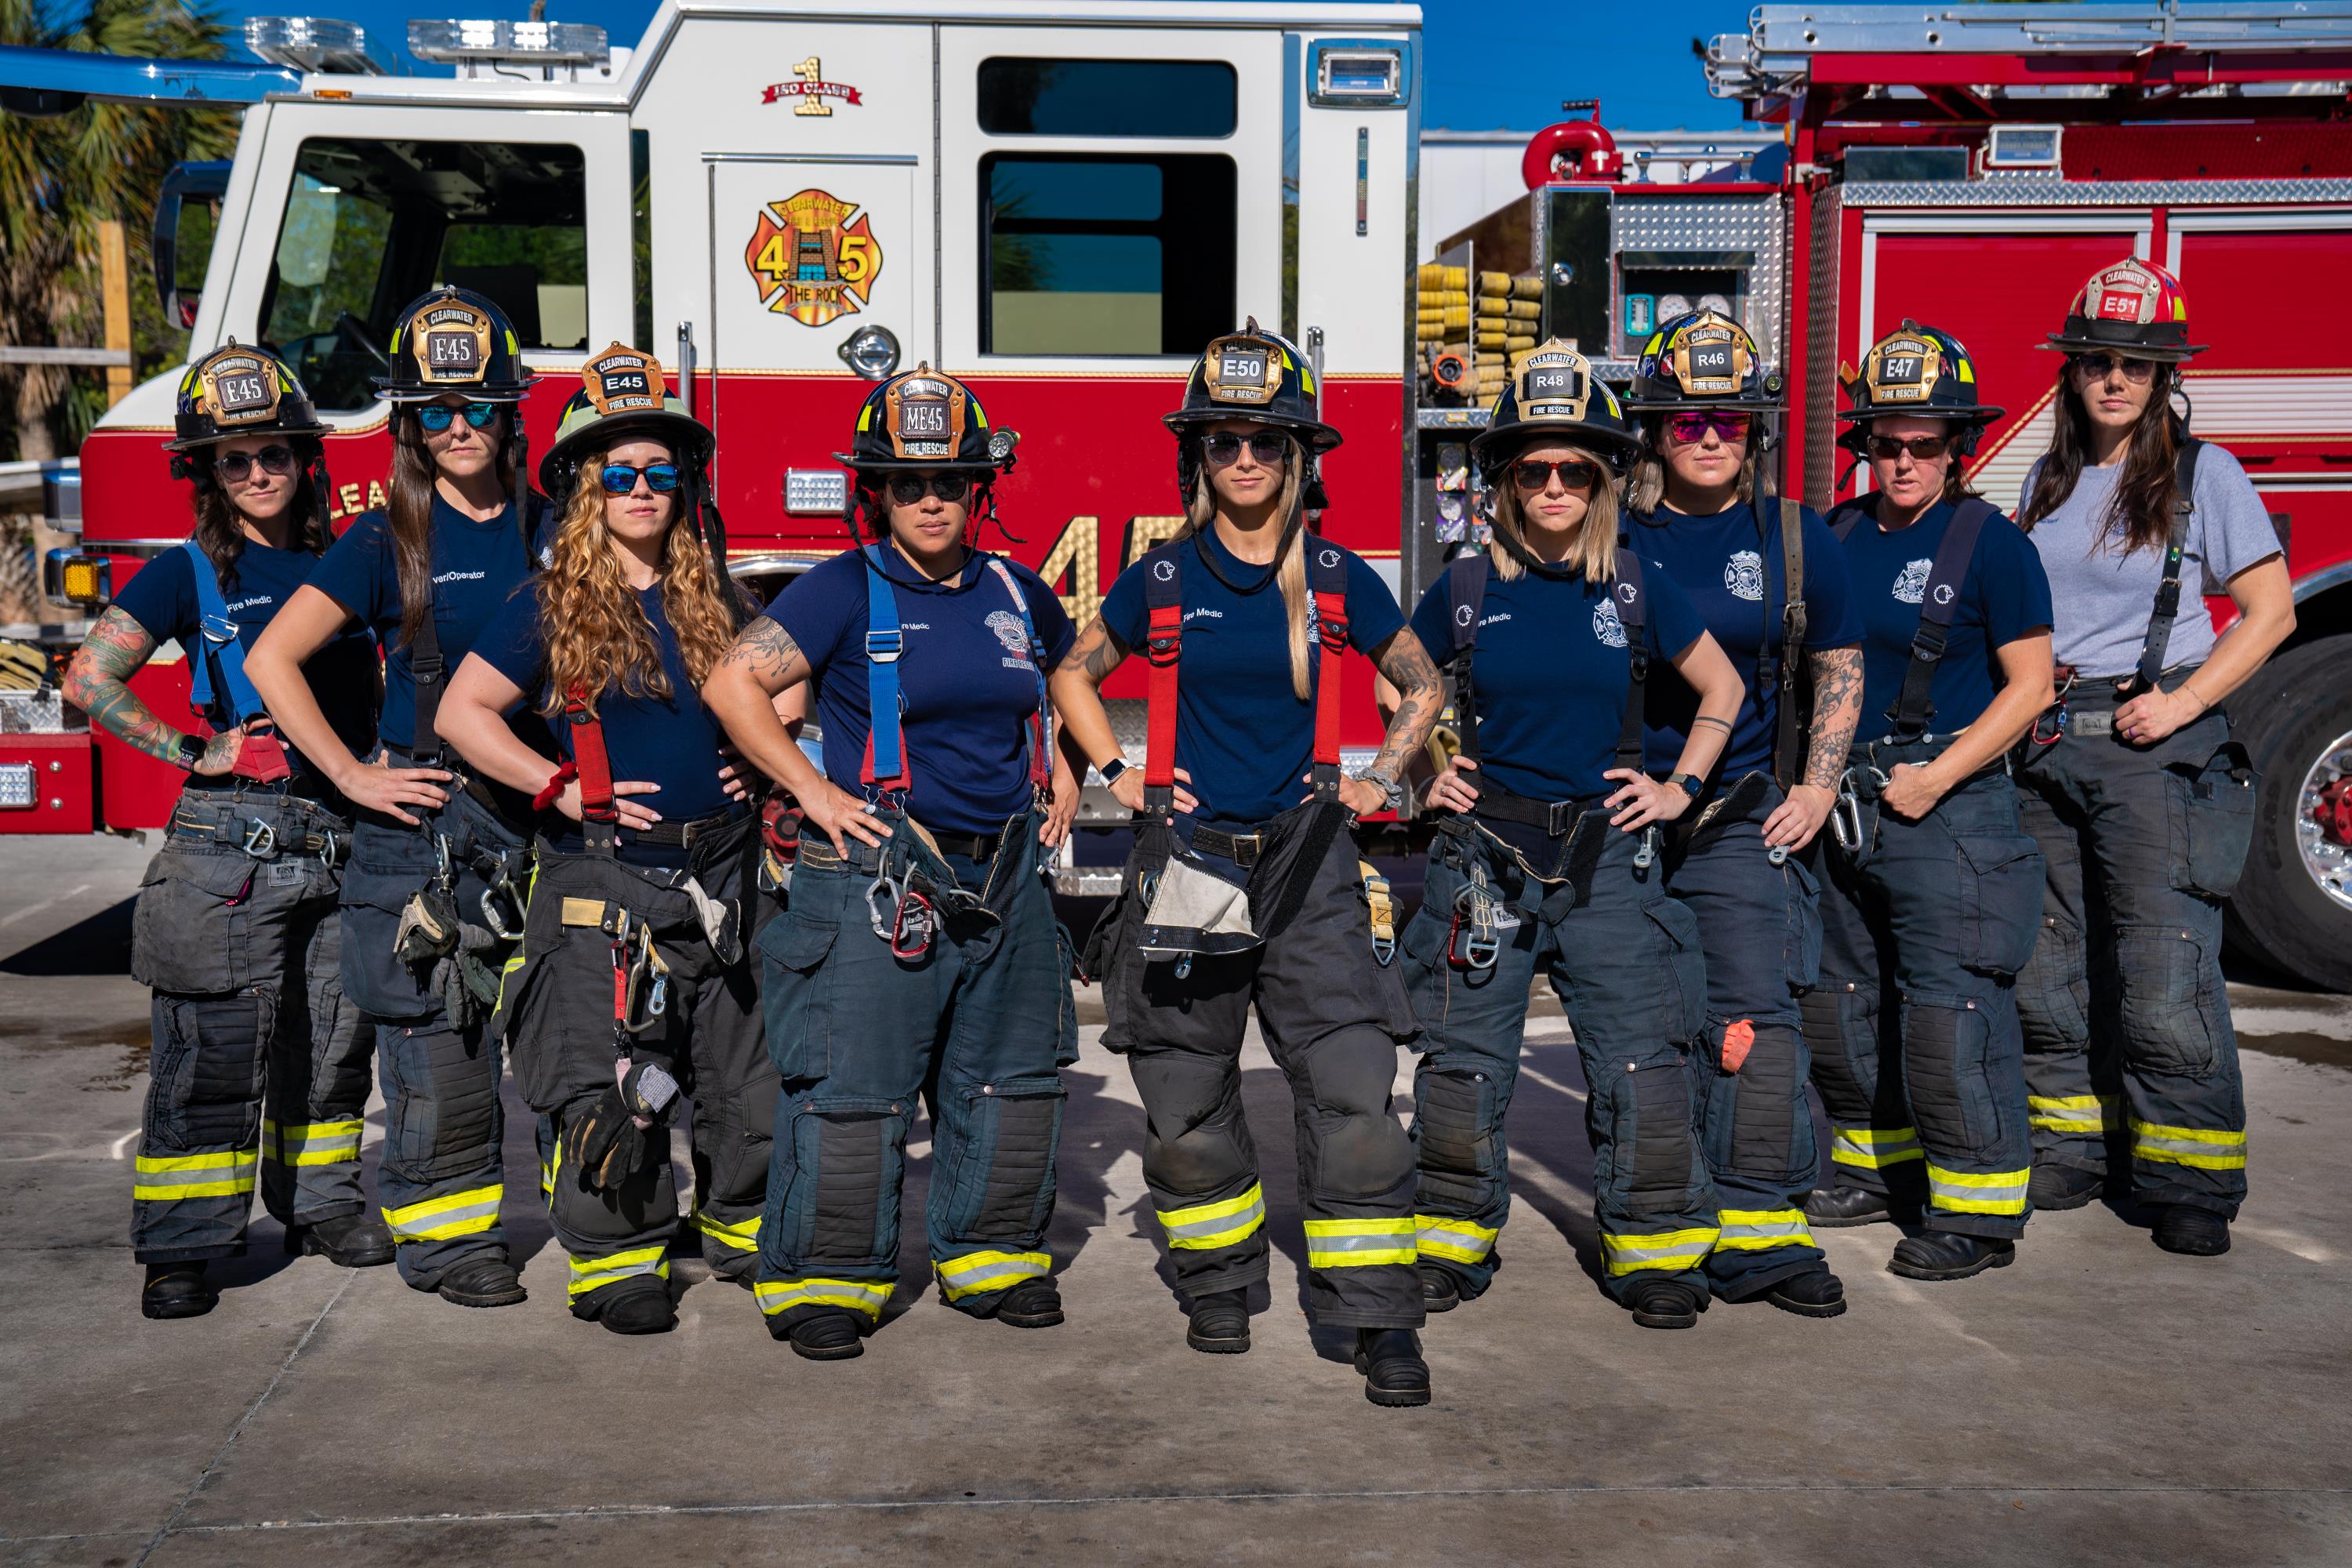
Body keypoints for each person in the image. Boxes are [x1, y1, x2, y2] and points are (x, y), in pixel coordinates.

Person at [1051, 321, 1447, 1406]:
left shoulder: (1336, 578)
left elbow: (1422, 688)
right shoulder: (1161, 575)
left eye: (1266, 444)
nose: (1244, 462)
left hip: (1310, 860)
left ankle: (1376, 1321)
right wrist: (1115, 773)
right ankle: (1220, 1282)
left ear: (1299, 458)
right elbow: (1073, 675)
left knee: (1359, 1096)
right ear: (1198, 457)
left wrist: (1382, 779)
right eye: (1223, 443)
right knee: (1183, 1103)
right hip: (1182, 859)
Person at [700, 365, 1083, 1362]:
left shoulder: (1014, 588)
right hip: (881, 877)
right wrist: (814, 790)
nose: (929, 498)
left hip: (1004, 878)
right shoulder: (839, 587)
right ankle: (826, 1282)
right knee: (853, 1089)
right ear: (874, 489)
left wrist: (1079, 771)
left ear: (978, 490)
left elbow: (1070, 672)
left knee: (1008, 1081)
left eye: (951, 481)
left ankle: (993, 1259)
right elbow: (734, 685)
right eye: (907, 482)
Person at [1387, 343, 1751, 1327]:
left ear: (1602, 478)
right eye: (1532, 469)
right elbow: (1404, 679)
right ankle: (1450, 1245)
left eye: (1574, 469)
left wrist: (1680, 787)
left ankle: (1658, 1252)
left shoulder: (1636, 585)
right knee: (1464, 1065)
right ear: (1503, 480)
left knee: (1645, 1059)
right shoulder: (1466, 586)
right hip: (1485, 862)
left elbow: (1725, 688)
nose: (1552, 485)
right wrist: (1425, 771)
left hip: (1610, 860)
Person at [435, 343, 774, 1335]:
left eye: (660, 472)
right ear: (586, 488)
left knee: (739, 1078)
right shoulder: (547, 608)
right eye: (617, 472)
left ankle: (745, 1233)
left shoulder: (718, 598)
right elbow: (463, 714)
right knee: (608, 1080)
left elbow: (787, 684)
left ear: (684, 486)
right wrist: (554, 781)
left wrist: (763, 756)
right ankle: (618, 1258)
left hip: (722, 868)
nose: (640, 488)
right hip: (607, 883)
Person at [66, 343, 387, 1318]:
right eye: (233, 460)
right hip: (227, 846)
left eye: (274, 455)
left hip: (342, 836)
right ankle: (185, 1243)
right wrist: (196, 748)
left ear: (305, 459)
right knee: (211, 1049)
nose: (257, 474)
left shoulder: (352, 558)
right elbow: (89, 680)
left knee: (333, 1046)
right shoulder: (187, 572)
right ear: (205, 472)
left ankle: (320, 1203)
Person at [248, 289, 543, 1310]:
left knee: (574, 1038)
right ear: (409, 424)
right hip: (430, 834)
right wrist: (351, 774)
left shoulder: (561, 527)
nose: (458, 426)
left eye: (478, 405)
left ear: (511, 411)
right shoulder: (385, 541)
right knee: (440, 1046)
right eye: (434, 410)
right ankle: (452, 1244)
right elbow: (273, 658)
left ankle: (612, 1224)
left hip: (551, 817)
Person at [2012, 260, 2293, 1257]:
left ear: (2168, 375)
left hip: (2153, 748)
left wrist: (2183, 699)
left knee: (2165, 968)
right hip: (2048, 750)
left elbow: (2271, 611)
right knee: (2051, 966)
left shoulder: (2204, 474)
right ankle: (2075, 1147)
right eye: (2096, 359)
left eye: (2139, 362)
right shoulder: (2046, 479)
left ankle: (2189, 1175)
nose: (2116, 378)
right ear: (2072, 371)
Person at [1619, 309, 1865, 1324]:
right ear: (1654, 432)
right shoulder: (1610, 533)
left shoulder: (1797, 540)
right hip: (1621, 812)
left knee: (1754, 1016)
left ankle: (1763, 1227)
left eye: (1729, 419)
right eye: (1686, 422)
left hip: (1738, 809)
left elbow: (1838, 665)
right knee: (1641, 1030)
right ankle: (1662, 1233)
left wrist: (1816, 785)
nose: (1710, 436)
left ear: (1756, 429)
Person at [1804, 322, 2056, 1281]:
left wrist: (1937, 776)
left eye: (1925, 443)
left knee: (1952, 1012)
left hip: (1946, 809)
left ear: (1960, 447)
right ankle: (1876, 1169)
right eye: (1885, 441)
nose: (1903, 460)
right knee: (1845, 1004)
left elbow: (2029, 687)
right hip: (1849, 805)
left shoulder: (1993, 546)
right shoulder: (1835, 534)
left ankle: (1979, 1211)